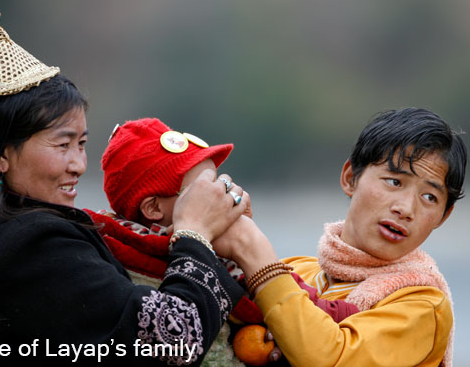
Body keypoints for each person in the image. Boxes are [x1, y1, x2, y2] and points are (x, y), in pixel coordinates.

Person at [0, 0, 249, 366]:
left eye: (83, 144)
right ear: (2, 155)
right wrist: (195, 233)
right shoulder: (30, 246)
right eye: (62, 145)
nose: (79, 165)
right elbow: (174, 340)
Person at [212, 108, 466, 367]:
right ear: (350, 178)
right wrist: (230, 250)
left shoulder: (421, 305)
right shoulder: (294, 269)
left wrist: (254, 254)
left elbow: (333, 359)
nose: (406, 209)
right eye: (394, 182)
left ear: (442, 217)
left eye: (429, 197)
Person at [93, 117, 359, 324]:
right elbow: (304, 313)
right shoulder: (185, 258)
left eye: (220, 182)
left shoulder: (121, 240)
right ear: (153, 209)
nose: (226, 195)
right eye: (205, 189)